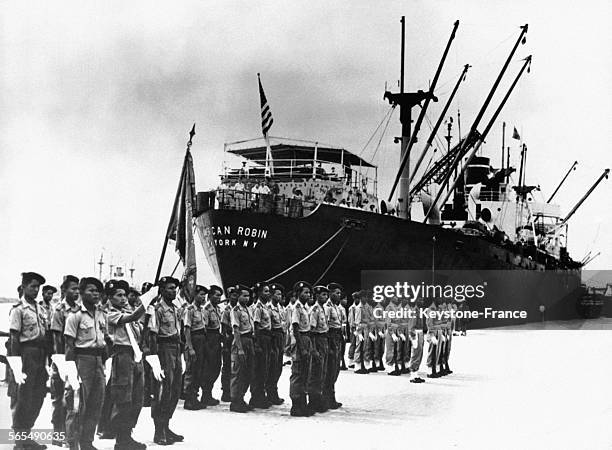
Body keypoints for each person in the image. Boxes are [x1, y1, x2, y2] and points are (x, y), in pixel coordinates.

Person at [64, 276, 108, 450]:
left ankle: (87, 442)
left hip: (98, 361)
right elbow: (69, 345)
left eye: (97, 290)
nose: (95, 293)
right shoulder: (75, 316)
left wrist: (106, 363)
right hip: (82, 360)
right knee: (77, 405)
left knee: (96, 403)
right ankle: (72, 443)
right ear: (81, 293)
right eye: (91, 290)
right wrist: (71, 371)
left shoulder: (101, 314)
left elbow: (105, 340)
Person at [8, 272, 49, 450]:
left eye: (38, 287)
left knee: (38, 396)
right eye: (32, 286)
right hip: (26, 353)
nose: (35, 290)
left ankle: (28, 437)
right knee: (23, 397)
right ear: (23, 286)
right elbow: (14, 338)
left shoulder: (41, 309)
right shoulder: (18, 309)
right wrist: (16, 364)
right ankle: (19, 441)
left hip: (40, 355)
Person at [105, 280, 147, 450]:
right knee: (124, 398)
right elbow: (132, 317)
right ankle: (121, 438)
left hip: (135, 354)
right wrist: (146, 303)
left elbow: (139, 328)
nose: (123, 298)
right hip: (122, 355)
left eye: (124, 295)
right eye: (119, 295)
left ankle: (127, 433)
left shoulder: (127, 311)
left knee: (137, 397)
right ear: (110, 297)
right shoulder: (111, 313)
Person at [148, 276, 184, 445]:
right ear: (161, 290)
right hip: (164, 349)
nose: (173, 291)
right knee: (163, 390)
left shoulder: (176, 309)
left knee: (175, 389)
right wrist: (155, 359)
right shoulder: (157, 309)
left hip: (176, 349)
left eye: (175, 288)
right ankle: (159, 430)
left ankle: (167, 426)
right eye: (170, 288)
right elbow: (153, 336)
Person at [49, 275, 81, 447]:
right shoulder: (59, 310)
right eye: (72, 288)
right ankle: (58, 433)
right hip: (62, 359)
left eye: (78, 289)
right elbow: (56, 338)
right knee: (59, 398)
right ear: (63, 290)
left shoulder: (80, 309)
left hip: (77, 359)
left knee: (73, 399)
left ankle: (71, 436)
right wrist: (61, 362)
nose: (76, 292)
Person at [289, 281, 314, 417]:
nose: (308, 294)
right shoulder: (296, 308)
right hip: (300, 341)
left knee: (305, 372)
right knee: (297, 373)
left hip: (307, 338)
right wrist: (302, 348)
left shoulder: (305, 308)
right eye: (305, 292)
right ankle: (296, 405)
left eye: (309, 292)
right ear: (298, 294)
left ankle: (303, 404)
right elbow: (295, 329)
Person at [229, 285, 255, 413]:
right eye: (244, 295)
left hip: (250, 340)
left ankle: (242, 397)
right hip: (241, 341)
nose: (247, 298)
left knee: (248, 372)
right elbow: (236, 330)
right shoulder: (235, 310)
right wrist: (239, 349)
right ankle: (235, 401)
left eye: (248, 296)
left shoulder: (248, 309)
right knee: (238, 372)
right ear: (238, 296)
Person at [183, 285, 208, 410]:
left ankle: (195, 397)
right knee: (191, 370)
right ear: (195, 295)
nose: (203, 297)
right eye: (201, 294)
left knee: (199, 370)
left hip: (202, 340)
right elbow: (187, 329)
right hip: (193, 339)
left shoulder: (202, 310)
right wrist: (190, 347)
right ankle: (189, 399)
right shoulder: (190, 310)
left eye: (204, 295)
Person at [250, 283, 272, 409]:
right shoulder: (258, 307)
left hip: (267, 337)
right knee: (259, 368)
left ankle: (261, 395)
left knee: (264, 368)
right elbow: (256, 325)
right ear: (259, 293)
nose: (268, 293)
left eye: (268, 291)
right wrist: (257, 343)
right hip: (261, 338)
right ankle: (256, 397)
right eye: (265, 291)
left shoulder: (265, 306)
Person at [307, 286, 329, 413]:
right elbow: (312, 332)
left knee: (323, 372)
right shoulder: (314, 310)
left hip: (324, 340)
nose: (325, 297)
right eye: (322, 295)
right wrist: (313, 349)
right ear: (316, 296)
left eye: (326, 295)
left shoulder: (323, 309)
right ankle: (313, 400)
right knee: (316, 372)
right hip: (317, 340)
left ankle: (318, 398)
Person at [201, 285, 223, 406]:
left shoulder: (218, 309)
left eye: (220, 295)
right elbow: (204, 327)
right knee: (209, 367)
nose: (219, 298)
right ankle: (206, 394)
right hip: (209, 339)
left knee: (216, 366)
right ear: (210, 296)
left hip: (216, 339)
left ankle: (208, 392)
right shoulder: (206, 309)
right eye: (216, 295)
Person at [323, 282, 343, 409]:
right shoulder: (327, 307)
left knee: (335, 368)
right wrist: (329, 345)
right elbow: (325, 326)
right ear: (330, 293)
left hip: (337, 337)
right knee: (329, 369)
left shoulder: (336, 307)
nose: (339, 295)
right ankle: (327, 398)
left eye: (340, 293)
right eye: (337, 293)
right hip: (330, 338)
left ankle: (331, 397)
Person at [266, 283, 286, 405]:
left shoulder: (280, 308)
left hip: (280, 337)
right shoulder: (268, 308)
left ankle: (273, 391)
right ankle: (270, 393)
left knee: (278, 367)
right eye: (277, 294)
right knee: (271, 367)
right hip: (272, 337)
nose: (279, 296)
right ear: (272, 295)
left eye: (280, 294)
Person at [220, 286, 238, 402]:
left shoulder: (239, 309)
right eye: (233, 295)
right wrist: (226, 345)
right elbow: (224, 327)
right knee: (227, 366)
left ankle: (233, 390)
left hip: (236, 337)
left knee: (235, 366)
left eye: (237, 295)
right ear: (229, 296)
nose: (235, 297)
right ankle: (226, 391)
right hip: (229, 338)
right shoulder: (227, 310)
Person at [407, 300, 426, 383]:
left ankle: (416, 374)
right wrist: (413, 337)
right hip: (416, 333)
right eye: (420, 299)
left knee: (419, 354)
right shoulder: (415, 311)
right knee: (415, 354)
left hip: (420, 332)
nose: (422, 301)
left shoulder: (419, 311)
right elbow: (411, 326)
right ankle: (412, 375)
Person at [384, 295, 402, 375]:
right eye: (395, 297)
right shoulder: (389, 307)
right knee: (390, 349)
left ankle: (394, 366)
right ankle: (390, 368)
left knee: (396, 349)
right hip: (391, 331)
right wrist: (392, 333)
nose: (397, 298)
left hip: (396, 330)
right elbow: (389, 322)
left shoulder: (396, 307)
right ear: (391, 298)